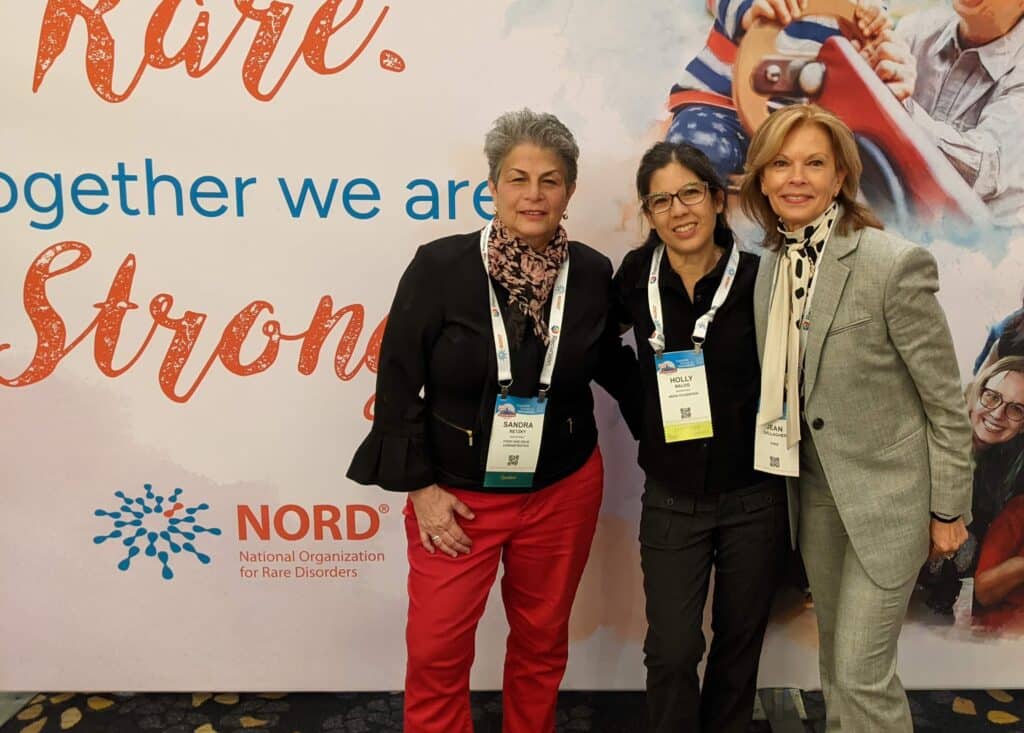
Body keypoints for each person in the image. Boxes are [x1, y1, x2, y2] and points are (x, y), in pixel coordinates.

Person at [346, 109, 638, 733]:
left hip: (563, 489)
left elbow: (607, 358)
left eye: (550, 180)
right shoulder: (441, 267)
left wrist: (687, 420)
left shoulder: (590, 273)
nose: (533, 195)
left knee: (541, 641)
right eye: (518, 178)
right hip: (457, 498)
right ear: (493, 186)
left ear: (570, 190)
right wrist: (422, 490)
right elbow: (397, 381)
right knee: (436, 651)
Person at [741, 103, 973, 732]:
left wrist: (949, 510)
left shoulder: (891, 264)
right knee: (838, 670)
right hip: (815, 497)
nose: (796, 177)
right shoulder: (769, 266)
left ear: (841, 175)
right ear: (761, 178)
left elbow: (945, 401)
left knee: (862, 675)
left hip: (891, 504)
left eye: (814, 163)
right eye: (781, 163)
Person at [613, 141, 787, 732]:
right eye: (660, 200)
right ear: (649, 212)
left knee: (739, 644)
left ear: (717, 199)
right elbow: (597, 347)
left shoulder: (762, 281)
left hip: (753, 496)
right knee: (672, 649)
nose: (677, 210)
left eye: (690, 193)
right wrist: (647, 417)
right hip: (671, 497)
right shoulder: (635, 276)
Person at [666, 0, 891, 182]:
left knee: (852, 169)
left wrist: (872, 24)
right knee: (694, 155)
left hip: (803, 122)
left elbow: (874, 33)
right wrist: (749, 8)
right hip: (722, 102)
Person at [862, 0, 1024, 227]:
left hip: (978, 250)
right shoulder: (917, 27)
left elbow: (983, 169)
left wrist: (896, 107)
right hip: (898, 227)